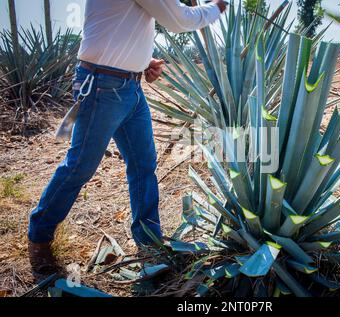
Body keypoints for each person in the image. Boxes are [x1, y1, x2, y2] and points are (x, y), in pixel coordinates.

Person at [28, 0, 228, 275]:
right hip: (102, 86)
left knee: (144, 164)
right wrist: (218, 7)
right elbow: (179, 20)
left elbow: (119, 25)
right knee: (79, 167)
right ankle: (39, 237)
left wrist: (143, 62)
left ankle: (149, 242)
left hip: (130, 86)